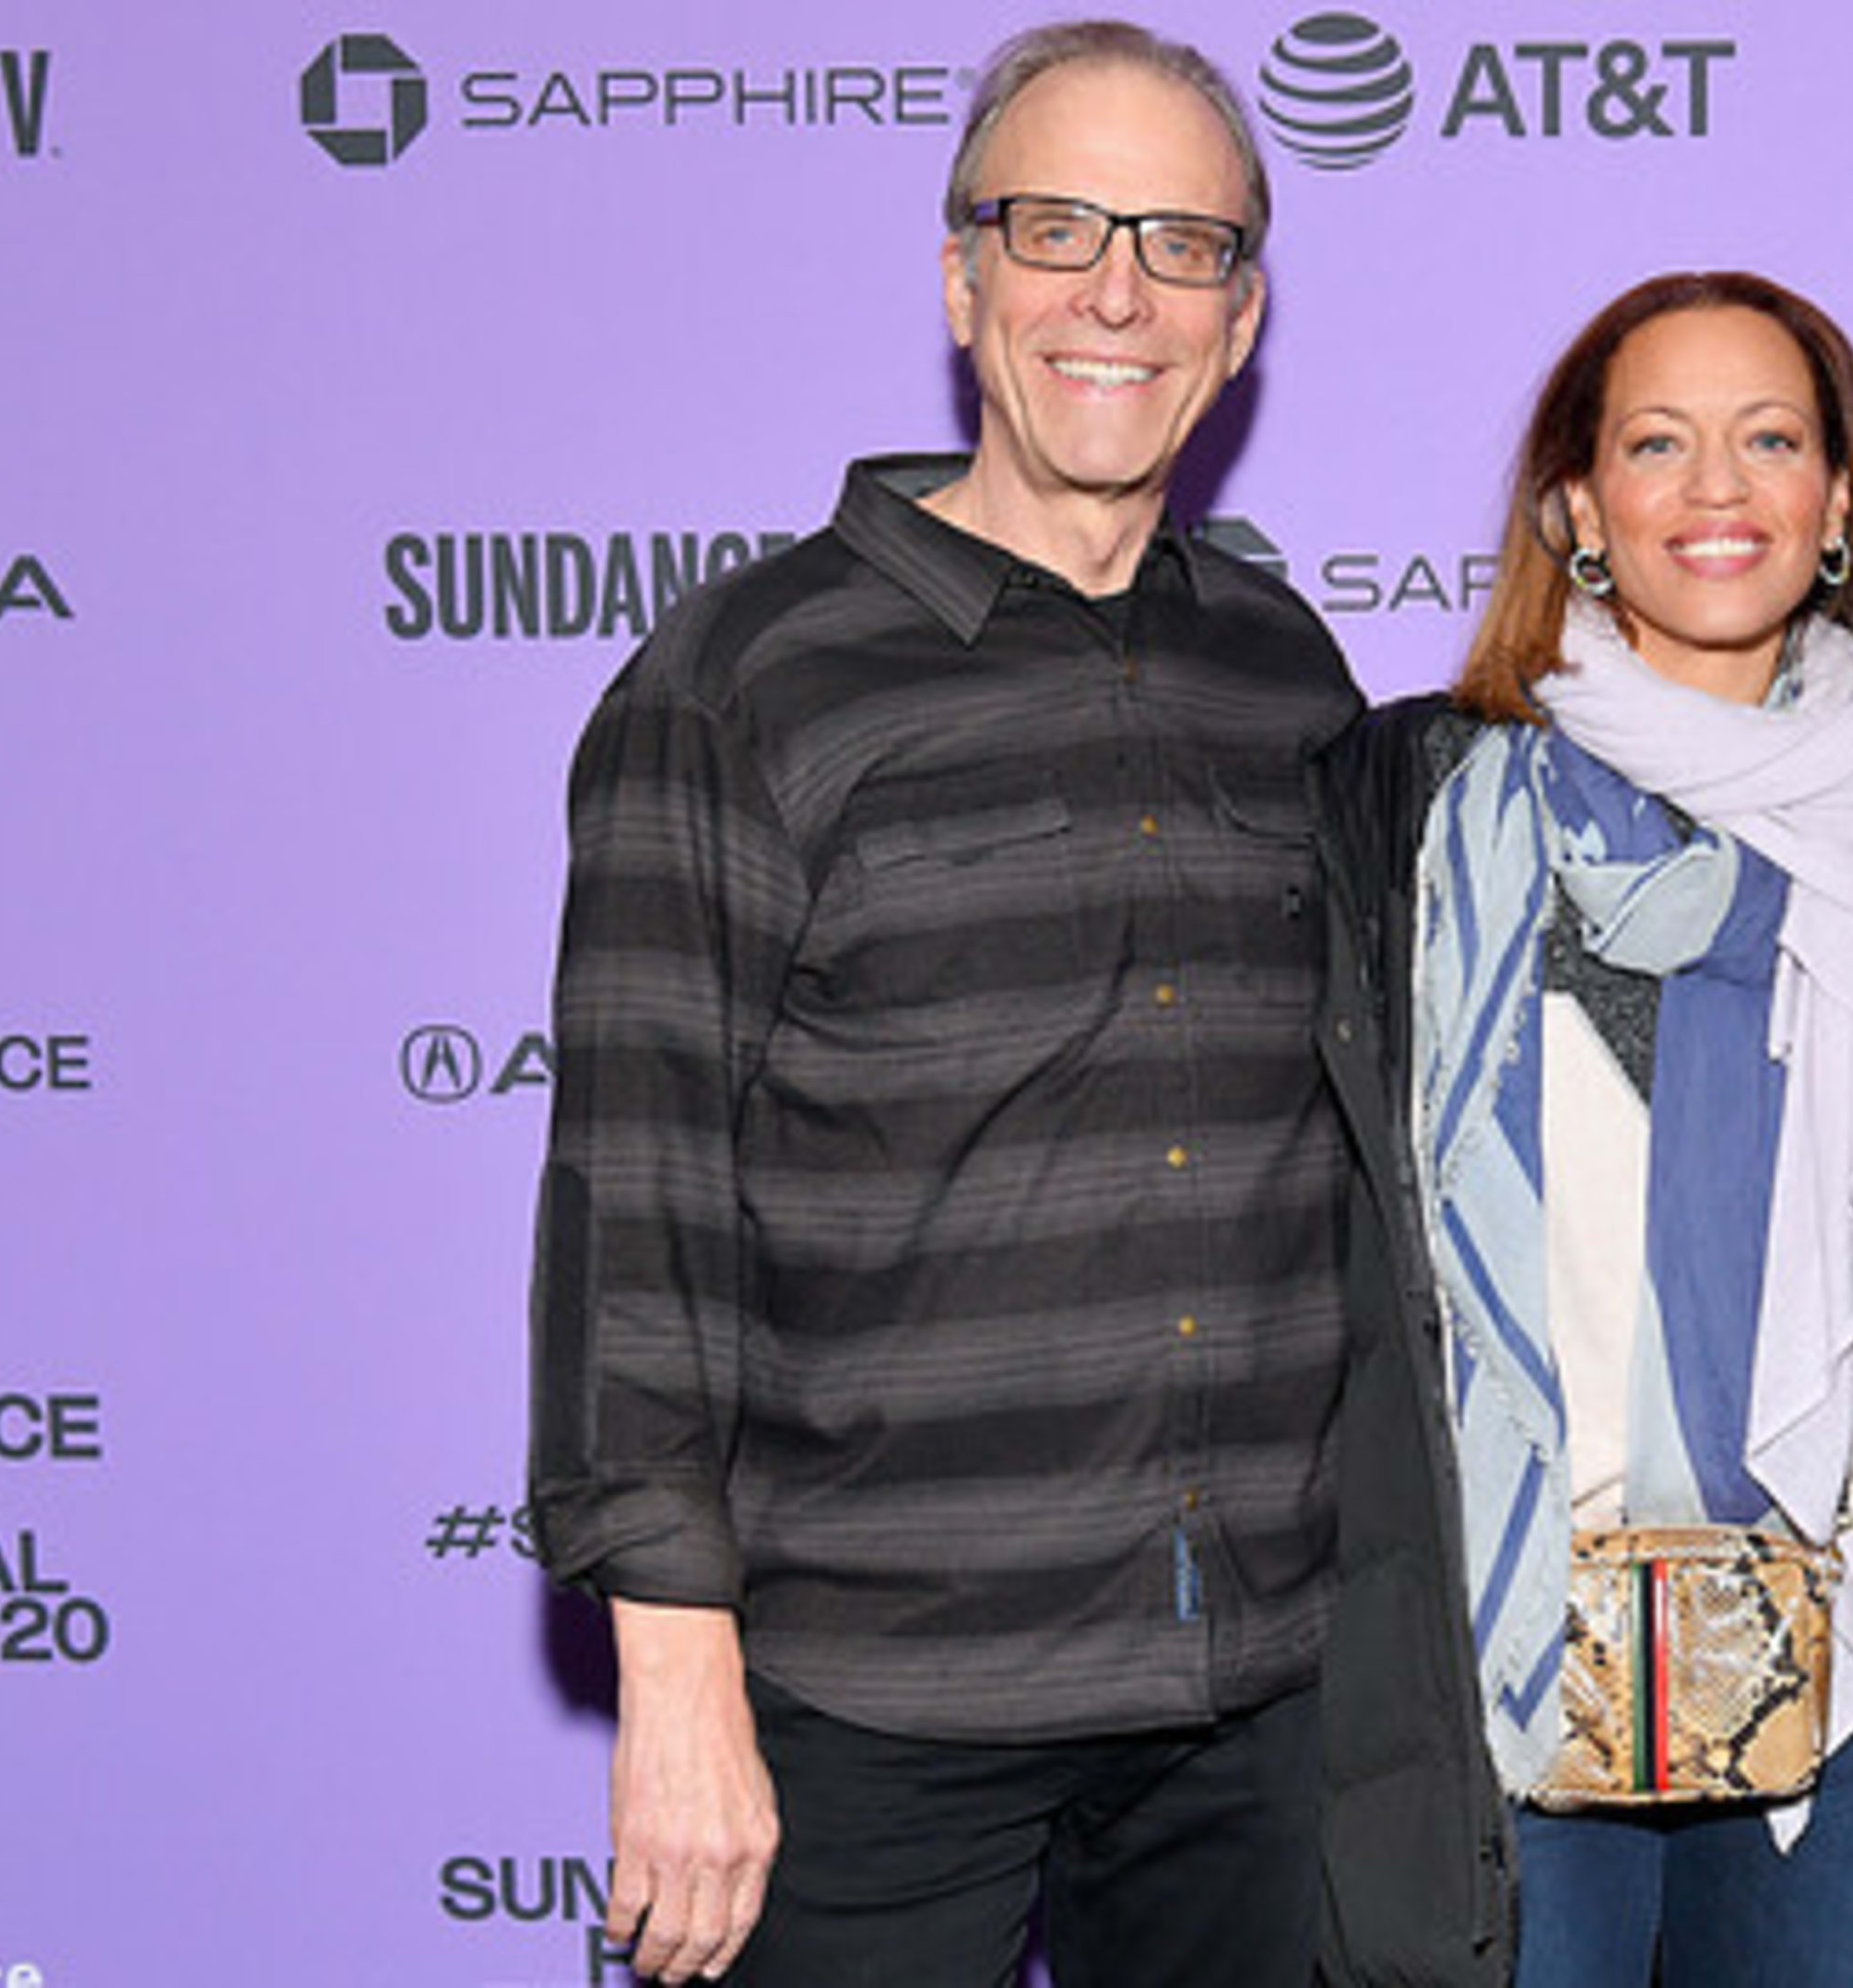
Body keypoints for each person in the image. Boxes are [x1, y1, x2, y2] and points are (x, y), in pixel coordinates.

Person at [525, 21, 1357, 1984]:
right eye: (1057, 225)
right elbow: (637, 1213)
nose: (1118, 293)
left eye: (1184, 244)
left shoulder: (1284, 668)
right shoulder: (744, 679)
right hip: (875, 1704)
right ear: (962, 276)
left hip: (1256, 1693)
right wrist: (676, 1690)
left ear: (1242, 322)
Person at [1305, 271, 1853, 1986]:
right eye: (1658, 443)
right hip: (1509, 1616)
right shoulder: (1416, 811)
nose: (1719, 490)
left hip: (1850, 1620)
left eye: (1771, 439)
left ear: (1838, 501)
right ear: (1577, 502)